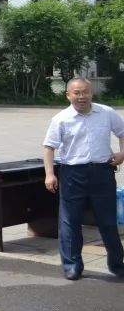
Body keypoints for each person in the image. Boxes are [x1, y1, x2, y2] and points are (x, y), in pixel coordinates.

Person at [42, 76, 124, 280]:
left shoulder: (106, 113)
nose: (81, 96)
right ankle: (72, 265)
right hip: (72, 175)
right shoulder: (61, 119)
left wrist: (122, 153)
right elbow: (49, 147)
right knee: (70, 221)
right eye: (76, 93)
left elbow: (123, 133)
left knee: (107, 221)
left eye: (85, 92)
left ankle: (117, 264)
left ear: (91, 93)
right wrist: (50, 174)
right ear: (68, 95)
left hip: (102, 173)